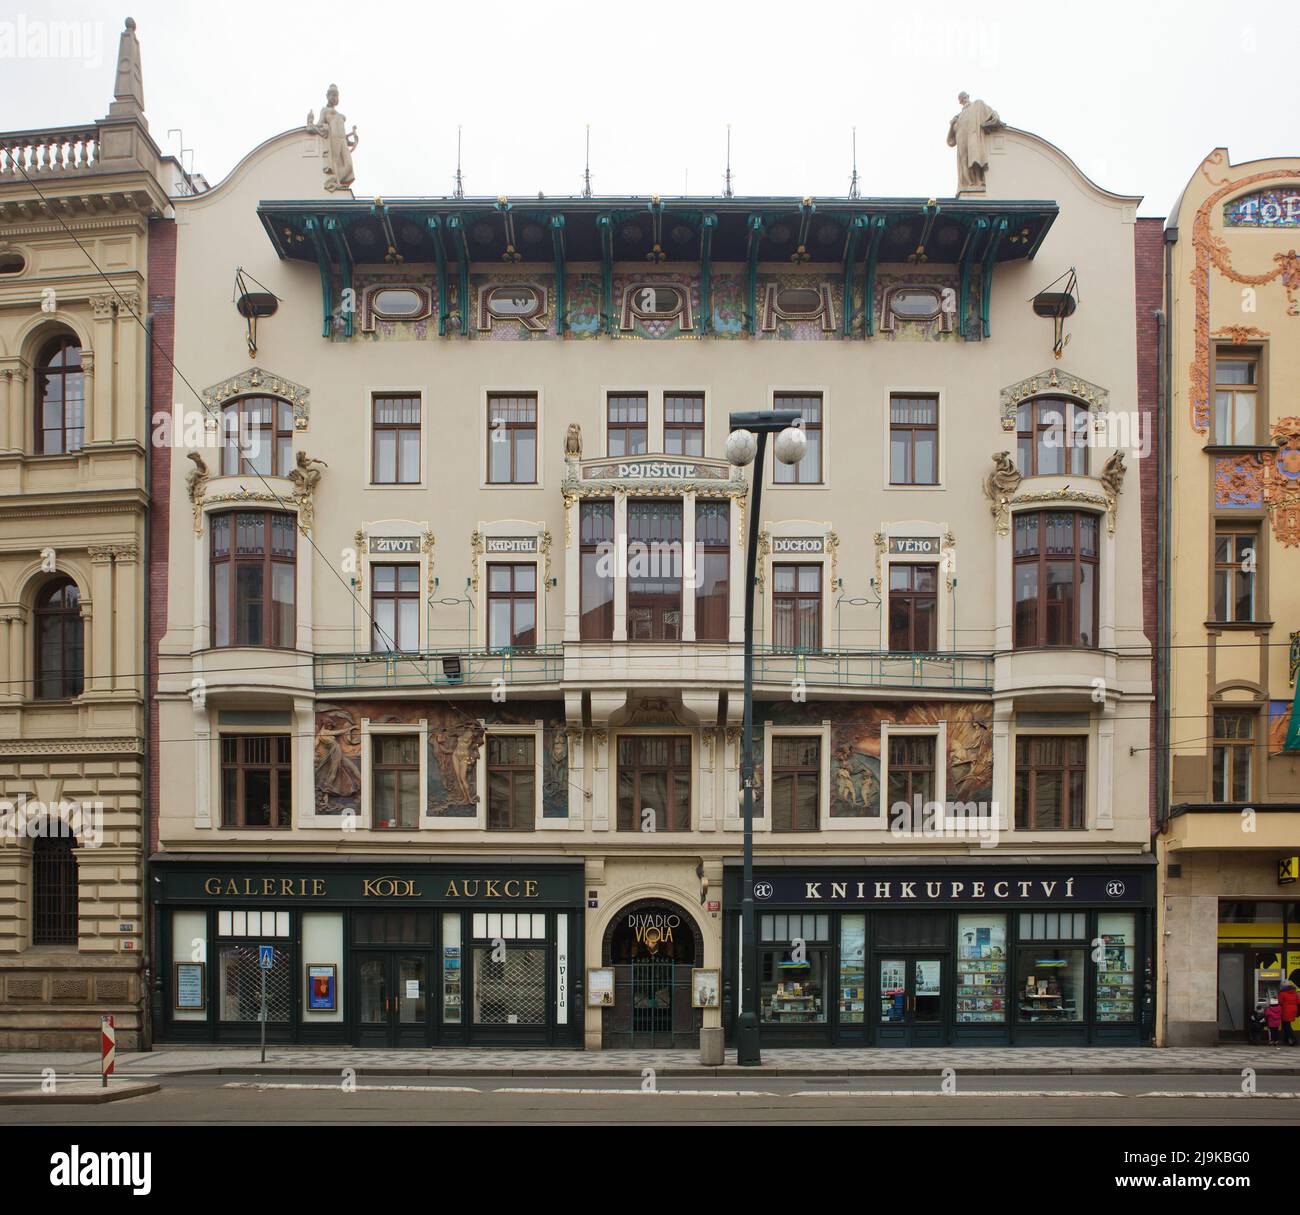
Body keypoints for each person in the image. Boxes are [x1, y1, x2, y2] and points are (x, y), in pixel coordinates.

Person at [1279, 979, 1299, 1045]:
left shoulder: (1282, 993)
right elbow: (1298, 1002)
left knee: (1286, 1026)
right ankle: (1288, 1039)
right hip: (1293, 1010)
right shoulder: (1295, 992)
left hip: (1285, 1010)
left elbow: (1280, 1002)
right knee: (1287, 1025)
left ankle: (1293, 1039)